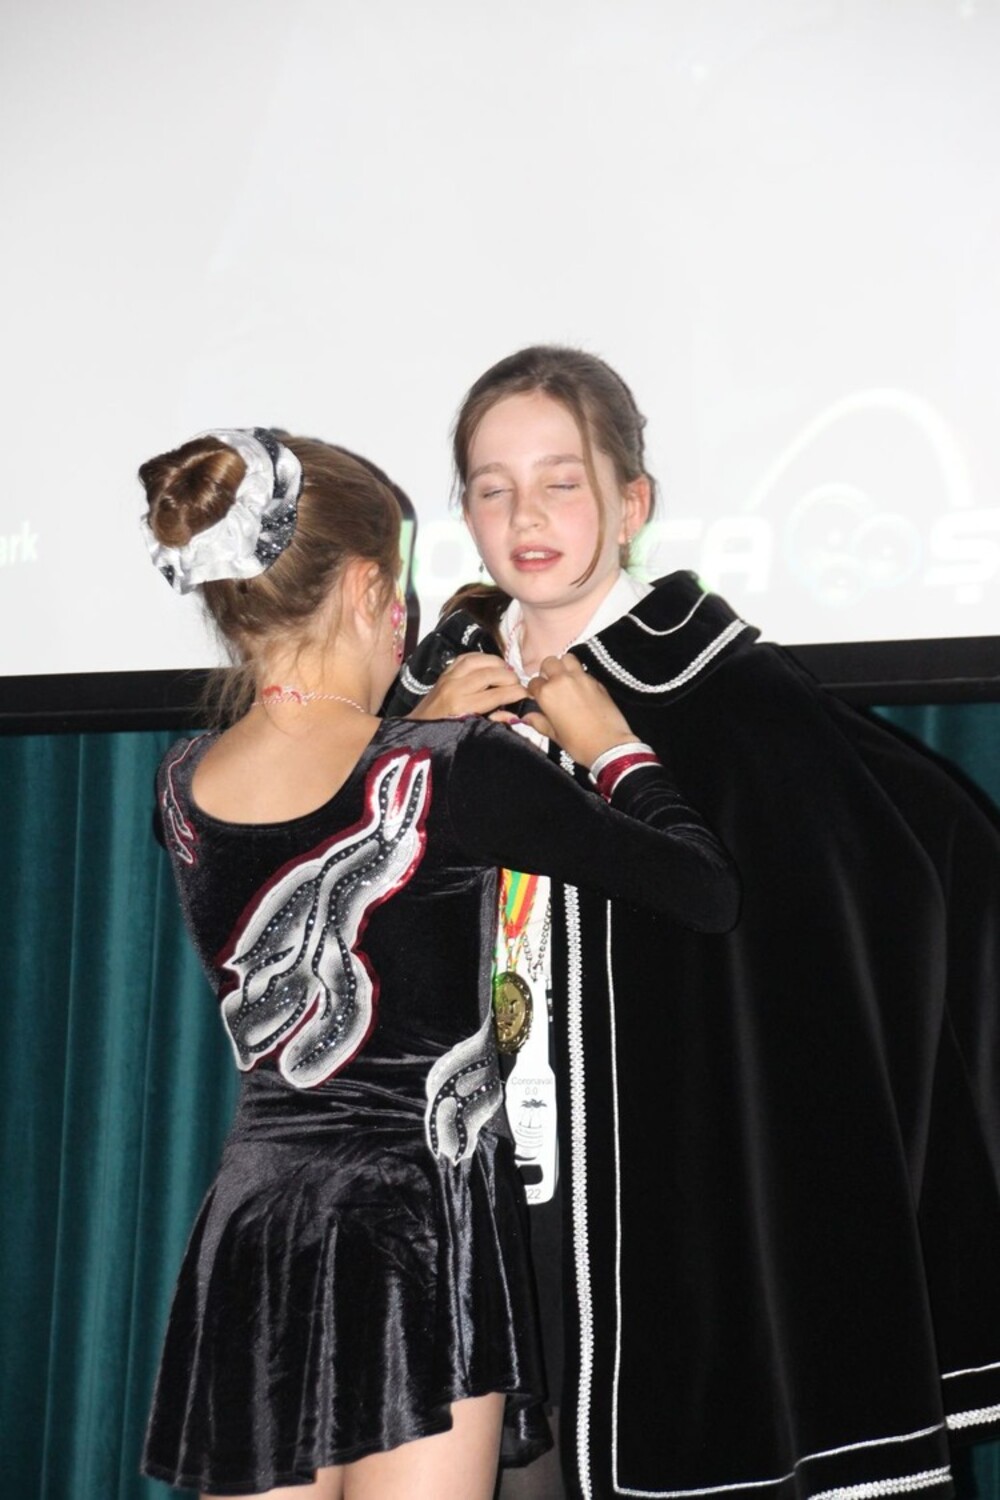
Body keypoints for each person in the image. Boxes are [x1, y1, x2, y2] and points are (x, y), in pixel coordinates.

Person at [386, 347, 1000, 1500]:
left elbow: (883, 892)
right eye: (492, 487)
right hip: (466, 1179)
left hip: (663, 1194)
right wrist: (413, 742)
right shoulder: (426, 693)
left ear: (632, 504)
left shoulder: (725, 698)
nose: (526, 516)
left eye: (561, 481)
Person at [136, 425, 739, 1499]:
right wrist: (610, 746)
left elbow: (329, 806)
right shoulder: (453, 767)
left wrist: (413, 722)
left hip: (257, 1223)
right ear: (368, 588)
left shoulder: (182, 783)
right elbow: (703, 889)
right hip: (418, 1223)